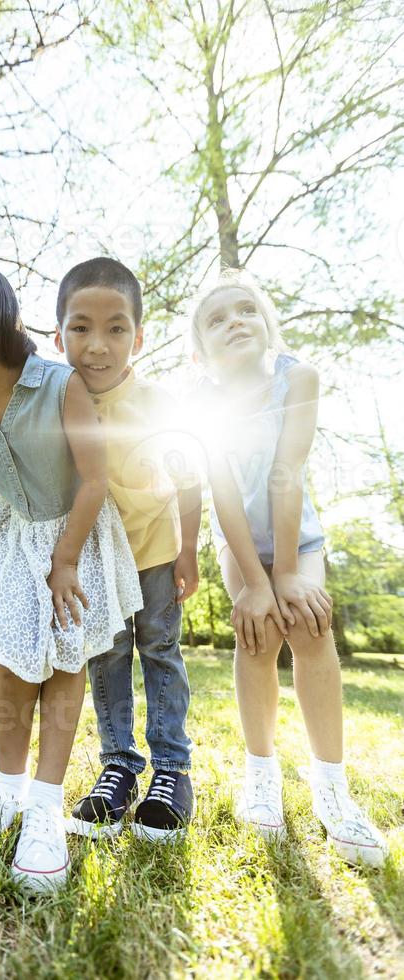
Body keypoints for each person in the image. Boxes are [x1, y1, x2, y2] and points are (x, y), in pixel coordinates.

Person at [0, 249, 142, 894]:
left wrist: (65, 560)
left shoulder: (58, 380)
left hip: (75, 533)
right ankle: (6, 795)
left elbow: (93, 477)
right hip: (14, 539)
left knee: (63, 665)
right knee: (9, 665)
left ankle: (44, 808)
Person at [192, 269, 388, 867]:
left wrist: (286, 579)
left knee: (307, 625)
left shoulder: (297, 377)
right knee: (257, 636)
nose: (235, 322)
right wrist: (255, 582)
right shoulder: (200, 401)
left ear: (268, 323)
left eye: (246, 309)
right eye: (217, 318)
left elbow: (286, 474)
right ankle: (262, 777)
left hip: (296, 537)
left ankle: (332, 787)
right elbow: (220, 493)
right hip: (239, 542)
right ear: (200, 349)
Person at [54, 257, 201, 842]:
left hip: (157, 551)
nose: (97, 344)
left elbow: (191, 481)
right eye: (80, 328)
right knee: (107, 657)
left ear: (137, 338)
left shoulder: (160, 404)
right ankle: (118, 768)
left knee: (160, 651)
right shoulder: (55, 402)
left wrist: (189, 551)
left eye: (116, 328)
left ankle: (172, 771)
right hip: (97, 562)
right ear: (58, 334)